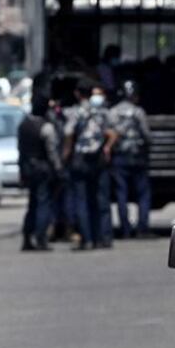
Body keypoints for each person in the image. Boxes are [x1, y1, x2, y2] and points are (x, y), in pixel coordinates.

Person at [63, 80, 117, 250]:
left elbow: (68, 133)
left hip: (80, 159)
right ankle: (104, 237)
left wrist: (66, 154)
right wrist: (107, 148)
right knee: (101, 199)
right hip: (99, 159)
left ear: (77, 93)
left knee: (82, 200)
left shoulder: (76, 112)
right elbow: (112, 132)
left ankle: (87, 239)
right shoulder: (101, 111)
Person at [18, 83, 65, 251]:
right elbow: (52, 153)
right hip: (43, 170)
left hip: (28, 169)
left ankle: (27, 236)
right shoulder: (46, 128)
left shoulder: (24, 125)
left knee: (32, 203)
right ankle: (40, 237)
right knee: (43, 203)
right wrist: (59, 170)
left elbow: (21, 150)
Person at [109, 80, 151, 238]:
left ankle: (125, 228)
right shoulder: (138, 112)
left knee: (121, 193)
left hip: (120, 157)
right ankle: (142, 227)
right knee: (143, 193)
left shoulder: (112, 112)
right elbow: (147, 135)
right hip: (137, 156)